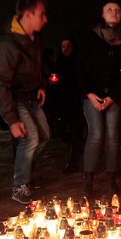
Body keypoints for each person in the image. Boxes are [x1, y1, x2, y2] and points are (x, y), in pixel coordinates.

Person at [0, 0, 50, 204]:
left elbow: (38, 66)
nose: (46, 19)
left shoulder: (35, 38)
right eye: (42, 14)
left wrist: (41, 85)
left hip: (31, 96)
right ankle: (19, 185)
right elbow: (1, 83)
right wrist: (12, 119)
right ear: (27, 15)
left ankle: (26, 171)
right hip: (16, 98)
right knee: (31, 138)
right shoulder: (8, 44)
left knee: (44, 136)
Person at [76, 0, 121, 195]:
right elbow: (80, 69)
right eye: (109, 9)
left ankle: (111, 178)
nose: (114, 12)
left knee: (112, 136)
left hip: (115, 95)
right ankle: (88, 179)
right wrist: (89, 94)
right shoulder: (90, 37)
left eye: (118, 9)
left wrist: (113, 97)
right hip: (92, 93)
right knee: (96, 133)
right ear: (102, 14)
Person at [47, 37, 85, 173]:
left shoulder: (78, 62)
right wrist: (52, 82)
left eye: (68, 46)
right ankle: (76, 146)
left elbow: (79, 80)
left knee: (76, 132)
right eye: (63, 46)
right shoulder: (58, 62)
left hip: (75, 102)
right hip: (61, 103)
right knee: (60, 130)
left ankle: (73, 162)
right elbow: (54, 80)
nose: (65, 49)